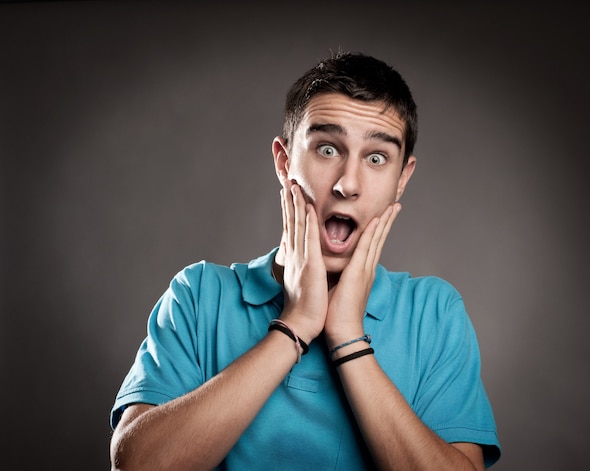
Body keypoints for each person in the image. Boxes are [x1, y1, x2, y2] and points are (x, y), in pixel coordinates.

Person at [109, 51, 501, 470]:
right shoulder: (199, 295)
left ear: (402, 178)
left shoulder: (435, 313)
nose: (348, 184)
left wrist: (348, 338)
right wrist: (294, 325)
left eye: (376, 158)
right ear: (284, 162)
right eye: (327, 149)